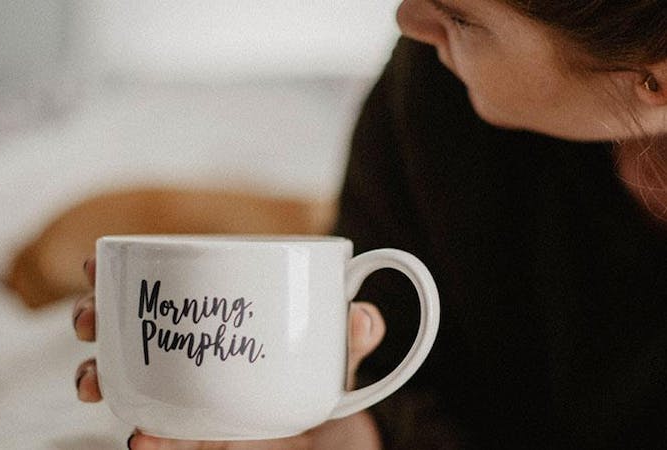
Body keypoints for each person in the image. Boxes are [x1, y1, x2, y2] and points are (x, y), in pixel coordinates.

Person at [72, 0, 667, 448]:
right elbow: (392, 378)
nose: (408, 18)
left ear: (655, 79)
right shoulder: (430, 96)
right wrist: (349, 428)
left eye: (460, 17)